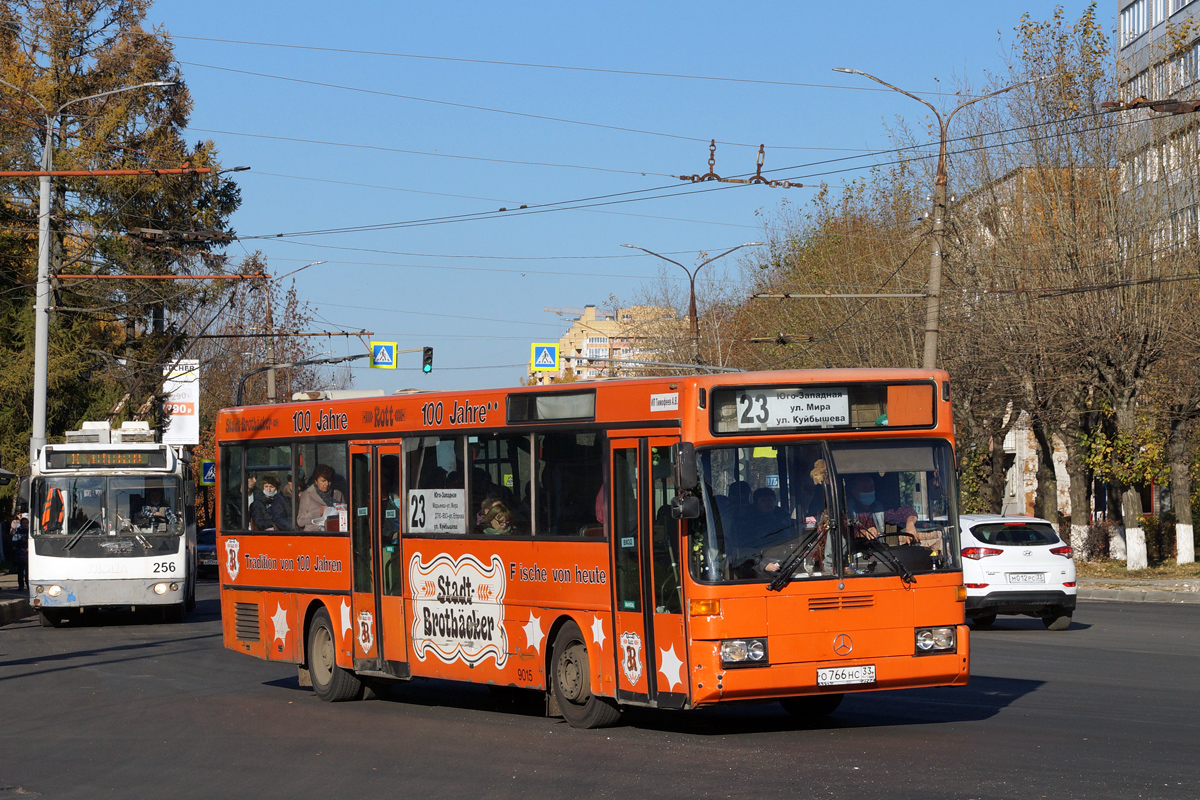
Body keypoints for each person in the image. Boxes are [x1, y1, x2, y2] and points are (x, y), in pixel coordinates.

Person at [844, 474, 918, 541]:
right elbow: (846, 530)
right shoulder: (847, 511)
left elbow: (906, 512)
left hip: (879, 552)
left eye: (871, 488)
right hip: (853, 553)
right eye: (865, 489)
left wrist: (910, 523)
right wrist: (864, 532)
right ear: (855, 492)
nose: (870, 491)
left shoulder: (879, 508)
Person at [297, 464, 346, 531]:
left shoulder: (338, 494)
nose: (326, 484)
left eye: (329, 481)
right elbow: (300, 521)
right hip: (314, 534)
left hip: (335, 533)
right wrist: (319, 512)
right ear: (316, 481)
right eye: (323, 481)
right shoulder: (307, 495)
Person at [12, 513, 29, 591]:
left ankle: (29, 585)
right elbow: (14, 541)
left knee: (28, 572)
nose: (25, 524)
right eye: (24, 523)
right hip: (20, 554)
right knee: (20, 571)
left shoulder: (30, 532)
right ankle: (21, 586)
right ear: (21, 524)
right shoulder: (18, 532)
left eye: (26, 523)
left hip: (29, 554)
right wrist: (21, 541)